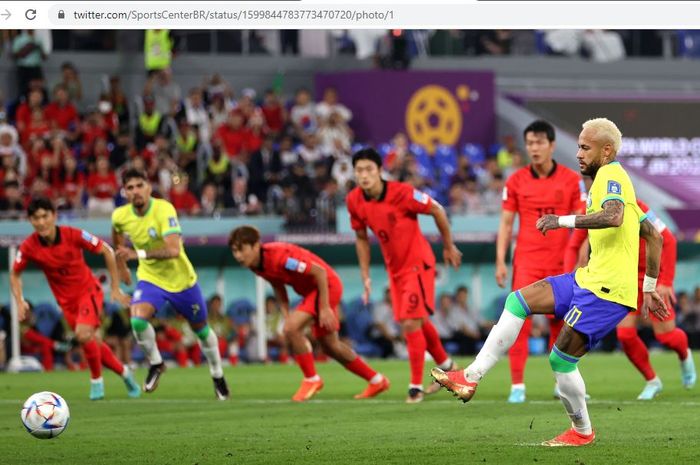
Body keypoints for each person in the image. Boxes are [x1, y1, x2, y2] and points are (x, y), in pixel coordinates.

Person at [432, 118, 668, 446]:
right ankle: (469, 378)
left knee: (560, 359)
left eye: (586, 147)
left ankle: (582, 432)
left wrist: (562, 220)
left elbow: (613, 216)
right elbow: (653, 234)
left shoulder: (612, 175)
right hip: (587, 279)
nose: (580, 154)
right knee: (518, 300)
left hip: (607, 291)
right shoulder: (608, 179)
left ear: (607, 150)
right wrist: (649, 287)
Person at [347, 148, 461, 403]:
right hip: (395, 270)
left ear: (379, 171)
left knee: (410, 323)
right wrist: (365, 274)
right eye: (359, 171)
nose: (364, 175)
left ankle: (415, 386)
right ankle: (448, 366)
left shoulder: (402, 193)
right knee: (416, 322)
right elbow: (361, 238)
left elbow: (437, 209)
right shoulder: (354, 200)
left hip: (418, 264)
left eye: (369, 170)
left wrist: (448, 245)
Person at [229, 225, 390, 402]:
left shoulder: (281, 257)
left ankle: (311, 379)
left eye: (241, 250)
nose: (238, 256)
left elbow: (319, 273)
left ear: (255, 245)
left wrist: (325, 307)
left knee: (290, 329)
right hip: (313, 292)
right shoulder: (256, 265)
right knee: (330, 346)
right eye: (234, 251)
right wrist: (285, 313)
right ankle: (377, 380)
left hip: (326, 286)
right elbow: (277, 285)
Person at [112, 168, 230, 400]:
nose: (135, 191)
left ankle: (217, 375)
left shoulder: (164, 209)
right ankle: (156, 364)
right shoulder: (119, 216)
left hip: (182, 281)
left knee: (202, 331)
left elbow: (174, 250)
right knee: (137, 320)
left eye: (139, 185)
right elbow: (117, 237)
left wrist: (137, 255)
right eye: (130, 187)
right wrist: (122, 267)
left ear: (148, 187)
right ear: (124, 192)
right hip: (151, 279)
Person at [564, 199, 696, 399]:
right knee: (625, 335)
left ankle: (685, 355)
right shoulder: (593, 208)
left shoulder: (637, 206)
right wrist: (569, 275)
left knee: (665, 336)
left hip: (653, 276)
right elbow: (575, 245)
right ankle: (652, 380)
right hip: (626, 279)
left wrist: (666, 281)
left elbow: (667, 240)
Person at [9, 197, 140, 400]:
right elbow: (15, 273)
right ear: (30, 220)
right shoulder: (29, 246)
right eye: (36, 218)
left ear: (54, 216)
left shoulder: (73, 234)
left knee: (83, 334)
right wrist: (19, 300)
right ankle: (124, 373)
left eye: (45, 216)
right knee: (92, 341)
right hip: (66, 303)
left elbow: (106, 250)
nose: (41, 222)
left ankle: (96, 382)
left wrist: (115, 288)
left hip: (89, 292)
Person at [495, 120, 586, 403]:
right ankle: (517, 386)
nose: (534, 148)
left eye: (539, 143)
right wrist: (501, 260)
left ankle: (560, 384)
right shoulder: (515, 181)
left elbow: (583, 223)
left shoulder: (572, 180)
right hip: (526, 262)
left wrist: (581, 258)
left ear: (551, 145)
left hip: (560, 263)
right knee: (516, 322)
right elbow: (506, 223)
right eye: (530, 143)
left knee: (562, 325)